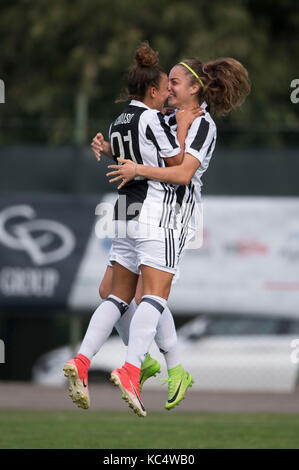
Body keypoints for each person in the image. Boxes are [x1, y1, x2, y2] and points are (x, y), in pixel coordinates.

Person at [63, 42, 198, 417]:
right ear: (152, 91)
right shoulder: (153, 119)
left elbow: (130, 157)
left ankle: (84, 360)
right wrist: (184, 125)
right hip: (154, 211)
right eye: (164, 89)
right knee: (155, 294)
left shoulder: (117, 121)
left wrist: (106, 150)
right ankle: (131, 368)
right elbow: (175, 162)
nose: (167, 94)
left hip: (124, 209)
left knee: (117, 297)